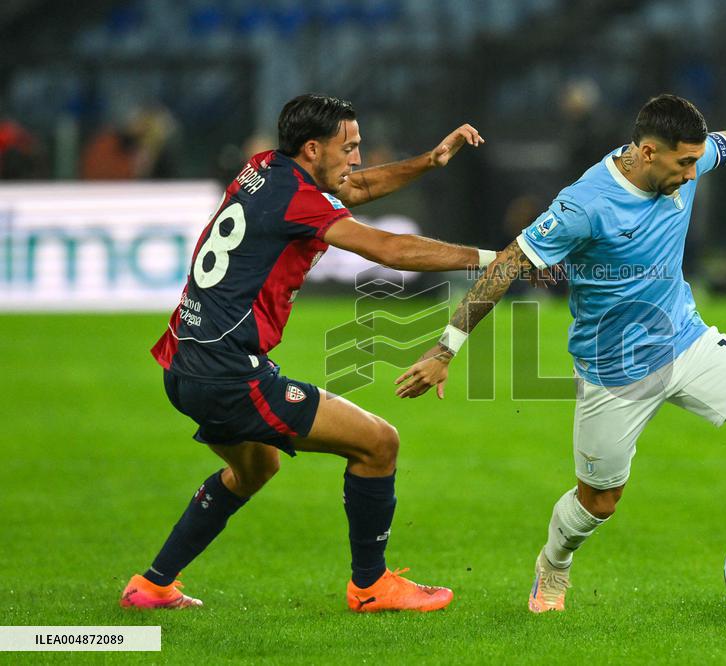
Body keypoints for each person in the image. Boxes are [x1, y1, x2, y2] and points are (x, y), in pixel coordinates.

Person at [396, 94, 726, 615]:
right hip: (614, 372)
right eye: (683, 163)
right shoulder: (584, 205)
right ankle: (554, 563)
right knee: (598, 502)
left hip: (687, 341)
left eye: (696, 161)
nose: (692, 173)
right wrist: (444, 349)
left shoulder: (686, 162)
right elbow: (506, 266)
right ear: (646, 152)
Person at [120, 93, 496, 613]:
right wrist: (494, 258)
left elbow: (354, 187)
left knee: (256, 468)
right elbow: (389, 249)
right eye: (349, 147)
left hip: (184, 361)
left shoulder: (263, 168)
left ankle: (153, 585)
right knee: (378, 443)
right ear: (313, 149)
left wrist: (429, 161)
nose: (357, 158)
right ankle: (371, 586)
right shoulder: (298, 199)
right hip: (230, 375)